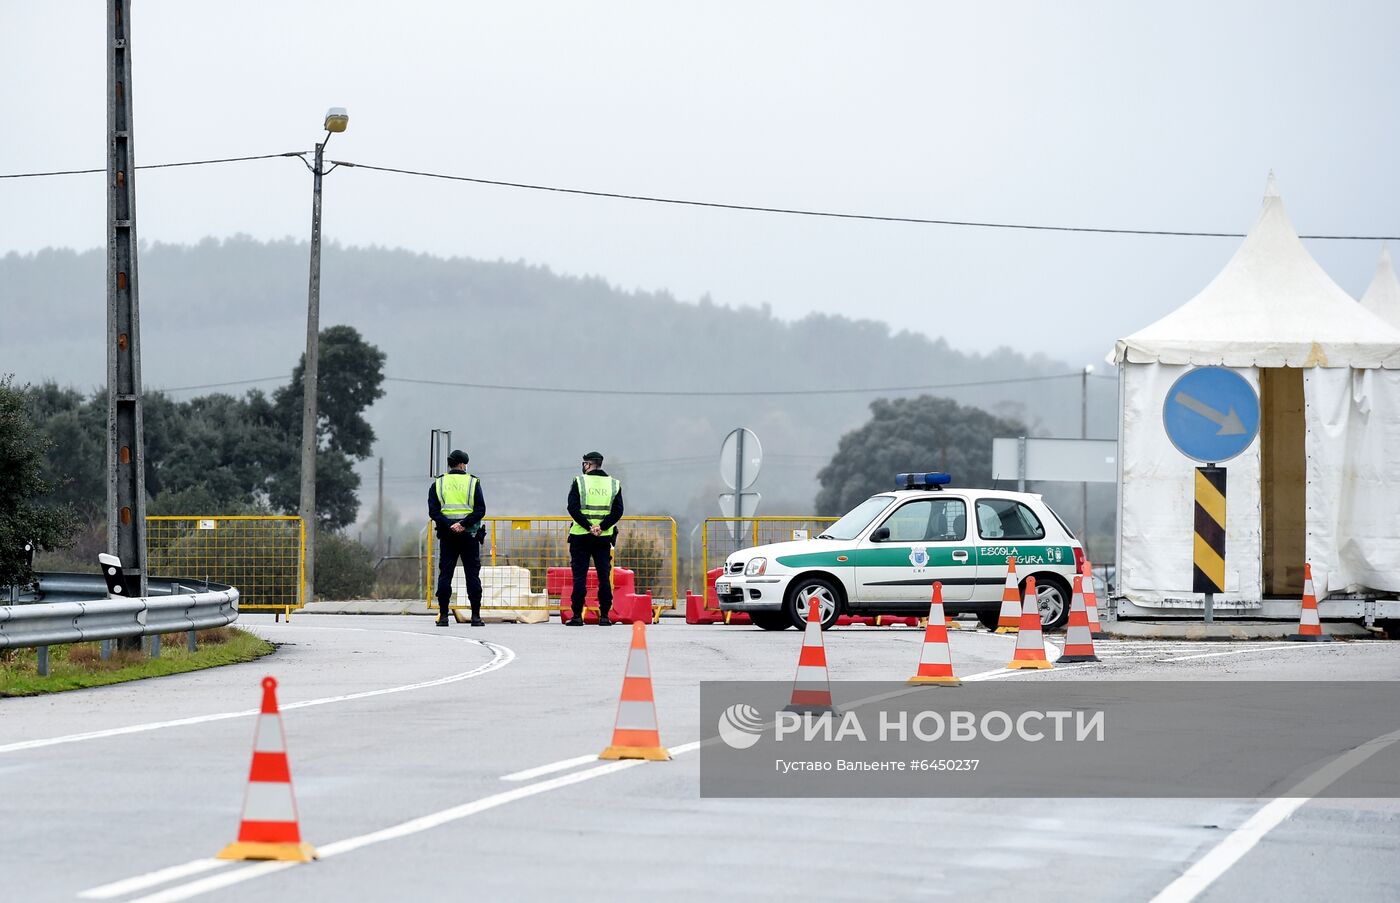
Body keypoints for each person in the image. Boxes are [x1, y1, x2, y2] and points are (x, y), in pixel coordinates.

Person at [565, 451, 624, 626]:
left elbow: (572, 508)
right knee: (604, 576)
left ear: (588, 464)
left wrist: (588, 526)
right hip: (603, 537)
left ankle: (577, 616)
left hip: (581, 536)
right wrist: (602, 527)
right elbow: (618, 511)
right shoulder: (614, 484)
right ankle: (605, 616)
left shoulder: (579, 482)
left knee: (579, 577)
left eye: (584, 463)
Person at [428, 449, 486, 627]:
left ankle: (444, 616)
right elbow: (480, 510)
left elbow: (434, 512)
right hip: (469, 535)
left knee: (445, 575)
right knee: (472, 575)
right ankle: (475, 617)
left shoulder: (438, 483)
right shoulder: (473, 482)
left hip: (447, 535)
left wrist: (449, 524)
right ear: (462, 464)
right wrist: (464, 524)